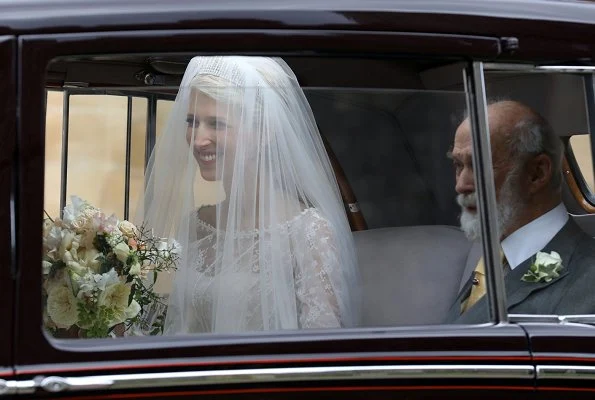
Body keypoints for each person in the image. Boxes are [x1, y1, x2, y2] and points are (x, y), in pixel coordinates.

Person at [139, 56, 360, 334]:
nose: (197, 139)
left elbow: (323, 347)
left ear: (263, 132)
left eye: (216, 124)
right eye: (192, 121)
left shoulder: (307, 232)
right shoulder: (195, 225)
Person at [445, 100, 595, 323]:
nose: (461, 185)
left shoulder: (587, 279)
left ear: (536, 173)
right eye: (458, 165)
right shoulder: (494, 259)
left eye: (479, 165)